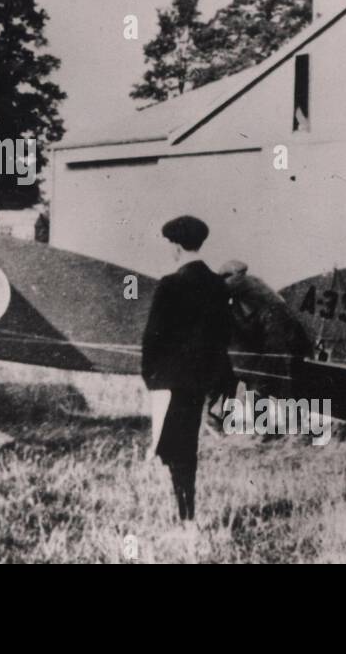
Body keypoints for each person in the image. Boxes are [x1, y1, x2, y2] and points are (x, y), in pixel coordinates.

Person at [141, 215, 233, 522]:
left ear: (177, 246)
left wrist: (151, 378)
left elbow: (153, 336)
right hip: (200, 380)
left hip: (170, 381)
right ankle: (185, 512)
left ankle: (185, 516)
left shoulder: (172, 284)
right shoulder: (218, 286)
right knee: (184, 446)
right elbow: (223, 334)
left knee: (175, 451)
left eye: (170, 244)